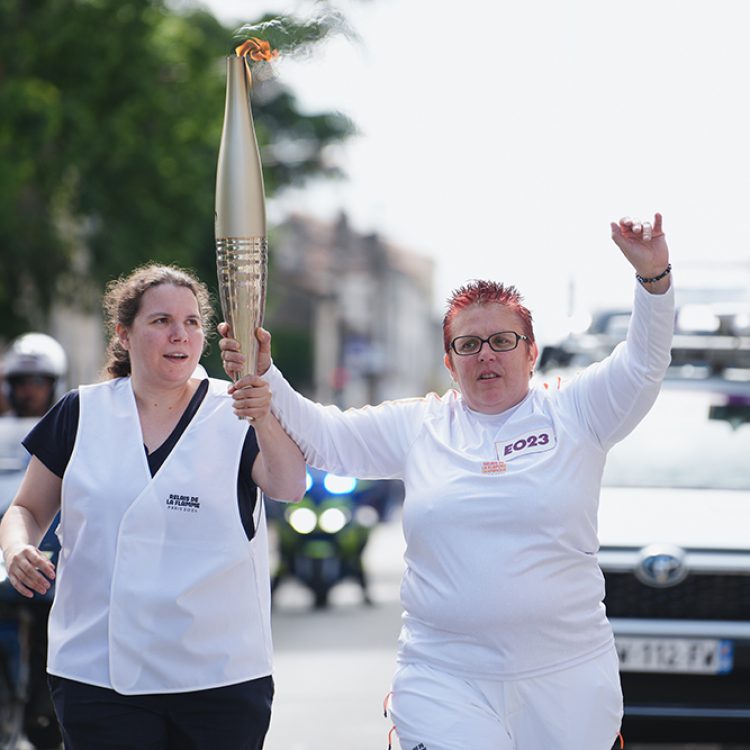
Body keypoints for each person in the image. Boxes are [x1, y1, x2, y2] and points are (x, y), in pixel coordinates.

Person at [220, 215, 674, 750]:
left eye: (503, 341)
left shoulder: (578, 412)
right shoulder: (420, 426)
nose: (486, 354)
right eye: (468, 344)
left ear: (531, 351)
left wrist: (654, 280)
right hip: (444, 676)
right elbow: (324, 436)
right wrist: (267, 373)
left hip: (567, 675)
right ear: (449, 361)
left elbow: (644, 365)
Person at [0, 263, 306, 750]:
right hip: (98, 672)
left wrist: (264, 415)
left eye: (190, 323)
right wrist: (18, 548)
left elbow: (290, 486)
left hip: (220, 676)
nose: (179, 335)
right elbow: (27, 509)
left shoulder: (236, 410)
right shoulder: (81, 413)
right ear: (124, 333)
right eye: (161, 321)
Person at [1, 332, 68, 749]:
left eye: (38, 381)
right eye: (22, 382)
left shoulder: (69, 425)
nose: (29, 390)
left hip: (55, 564)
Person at [2, 333, 67, 419]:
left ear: (54, 385)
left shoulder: (68, 427)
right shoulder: (3, 427)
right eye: (20, 381)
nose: (28, 389)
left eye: (38, 381)